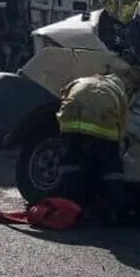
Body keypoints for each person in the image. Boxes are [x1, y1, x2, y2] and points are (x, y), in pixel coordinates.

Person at [57, 73, 131, 225]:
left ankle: (68, 205)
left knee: (71, 163)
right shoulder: (117, 90)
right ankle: (115, 212)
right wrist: (118, 142)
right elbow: (123, 119)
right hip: (102, 125)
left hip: (70, 120)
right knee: (112, 171)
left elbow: (63, 95)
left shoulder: (80, 80)